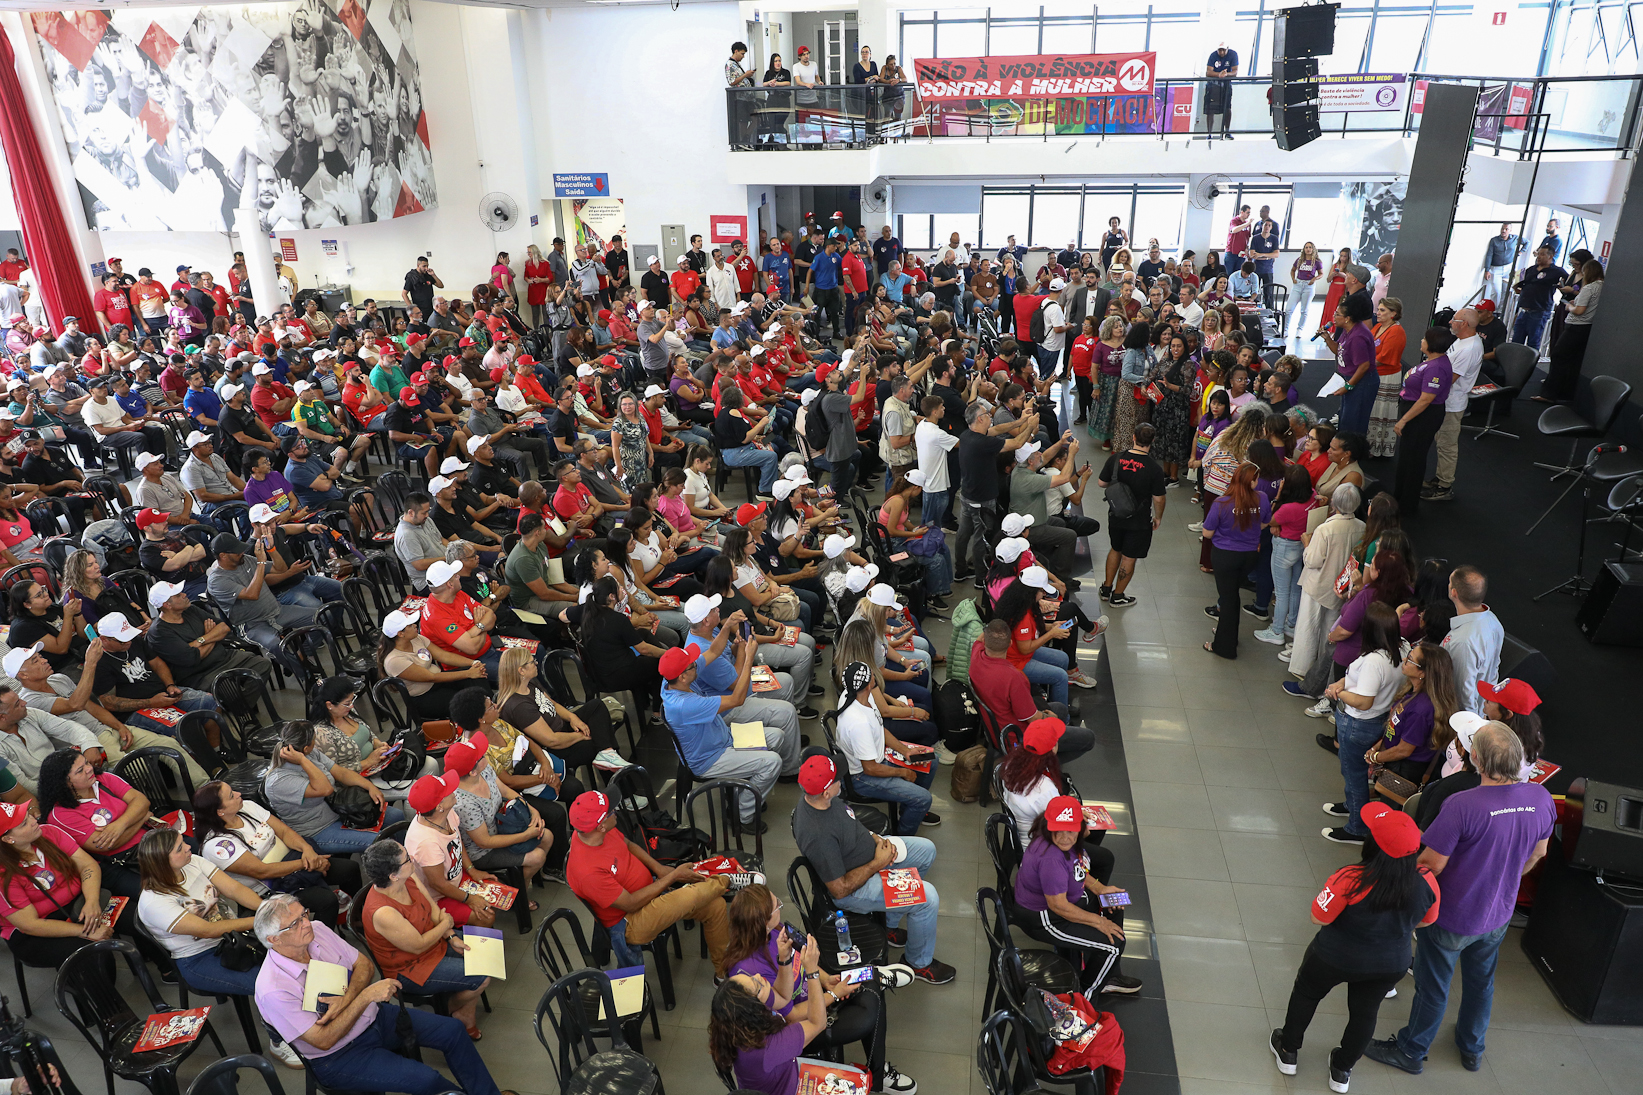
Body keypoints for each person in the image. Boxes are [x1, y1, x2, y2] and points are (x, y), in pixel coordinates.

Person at [1366, 723, 1553, 1076]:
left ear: (1476, 758)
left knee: (1433, 987)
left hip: (1451, 916)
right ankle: (1472, 1047)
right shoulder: (1541, 799)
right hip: (1498, 914)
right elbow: (1538, 853)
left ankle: (1411, 1050)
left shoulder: (1462, 805)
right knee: (1482, 983)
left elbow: (1430, 864)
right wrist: (1506, 879)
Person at [252, 894, 515, 1095]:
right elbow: (323, 1041)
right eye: (295, 923)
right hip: (340, 1056)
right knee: (428, 1080)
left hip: (373, 1017)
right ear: (274, 940)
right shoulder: (273, 988)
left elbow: (364, 965)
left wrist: (348, 1000)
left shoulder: (318, 930)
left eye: (304, 914)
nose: (306, 923)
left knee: (453, 1031)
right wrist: (364, 997)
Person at [1272, 803, 1441, 1094]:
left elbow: (1319, 916)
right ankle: (1342, 1069)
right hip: (1390, 963)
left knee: (1307, 993)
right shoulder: (1427, 881)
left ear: (1372, 844)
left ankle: (1288, 1050)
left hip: (1333, 956)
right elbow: (1427, 921)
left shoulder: (1351, 877)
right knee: (1365, 1013)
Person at [721, 883, 913, 1095]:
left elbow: (790, 980)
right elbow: (796, 1016)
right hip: (801, 1024)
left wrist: (826, 979)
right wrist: (832, 994)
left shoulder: (773, 935)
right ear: (762, 922)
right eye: (777, 907)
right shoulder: (751, 973)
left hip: (812, 1002)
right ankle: (877, 1073)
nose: (781, 908)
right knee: (867, 1012)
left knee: (870, 992)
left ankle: (878, 1072)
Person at [135, 828, 303, 1064]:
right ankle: (278, 1042)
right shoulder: (154, 902)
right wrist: (263, 921)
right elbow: (207, 930)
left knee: (293, 952)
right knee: (268, 984)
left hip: (232, 937)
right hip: (199, 958)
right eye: (180, 848)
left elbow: (234, 889)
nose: (189, 848)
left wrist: (266, 910)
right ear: (162, 861)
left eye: (183, 843)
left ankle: (305, 1012)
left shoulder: (192, 862)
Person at [792, 754, 953, 984]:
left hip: (871, 856)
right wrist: (878, 862)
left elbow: (850, 822)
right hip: (856, 888)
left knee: (926, 850)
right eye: (837, 778)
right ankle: (918, 964)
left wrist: (876, 839)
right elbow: (840, 889)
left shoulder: (822, 797)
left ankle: (889, 925)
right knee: (928, 898)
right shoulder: (818, 835)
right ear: (826, 792)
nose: (842, 779)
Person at [566, 789, 748, 973]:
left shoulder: (596, 832)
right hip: (630, 921)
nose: (616, 811)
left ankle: (723, 973)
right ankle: (726, 880)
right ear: (601, 827)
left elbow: (628, 844)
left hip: (651, 889)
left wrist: (659, 869)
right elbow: (630, 903)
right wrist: (672, 877)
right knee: (688, 896)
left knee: (716, 905)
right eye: (611, 811)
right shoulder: (587, 872)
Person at [358, 841, 491, 1039]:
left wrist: (451, 936)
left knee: (486, 953)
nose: (412, 858)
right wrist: (446, 925)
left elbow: (432, 909)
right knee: (483, 976)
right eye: (407, 858)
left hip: (434, 939)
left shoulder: (407, 876)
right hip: (411, 967)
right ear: (393, 875)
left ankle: (462, 1009)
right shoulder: (383, 912)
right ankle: (450, 1009)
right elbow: (418, 946)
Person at [1014, 795, 1140, 997]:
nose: (1065, 837)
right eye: (1059, 830)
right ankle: (1084, 997)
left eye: (1071, 830)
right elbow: (1058, 906)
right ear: (1049, 827)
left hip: (1064, 902)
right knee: (1113, 946)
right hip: (1045, 919)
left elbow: (1076, 869)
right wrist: (1098, 922)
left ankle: (1107, 974)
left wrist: (1100, 889)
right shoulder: (1051, 859)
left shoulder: (1064, 843)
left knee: (1112, 909)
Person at [193, 779, 360, 928]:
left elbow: (285, 832)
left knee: (350, 869)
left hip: (295, 862)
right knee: (326, 900)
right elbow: (262, 871)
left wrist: (308, 851)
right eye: (231, 796)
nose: (238, 794)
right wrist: (307, 863)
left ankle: (355, 918)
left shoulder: (247, 807)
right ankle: (320, 944)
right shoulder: (218, 845)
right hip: (273, 888)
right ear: (220, 811)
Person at [1320, 602, 1406, 844]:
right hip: (1377, 719)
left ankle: (1356, 828)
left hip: (1357, 723)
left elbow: (1364, 701)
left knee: (1354, 774)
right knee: (1354, 770)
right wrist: (1343, 683)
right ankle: (1352, 805)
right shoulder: (1401, 647)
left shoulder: (1373, 662)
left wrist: (1338, 693)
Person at [444, 715, 554, 898]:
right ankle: (519, 895)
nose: (485, 753)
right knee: (537, 856)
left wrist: (530, 808)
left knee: (547, 836)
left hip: (501, 825)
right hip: (483, 852)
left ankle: (524, 879)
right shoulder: (464, 803)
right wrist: (526, 835)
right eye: (480, 756)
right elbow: (484, 842)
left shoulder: (484, 769)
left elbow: (505, 790)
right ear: (472, 771)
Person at [264, 721, 403, 856]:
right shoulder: (278, 781)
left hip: (339, 810)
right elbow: (326, 789)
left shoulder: (311, 753)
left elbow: (340, 772)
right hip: (318, 830)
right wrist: (303, 761)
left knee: (397, 817)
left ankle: (409, 860)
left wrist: (370, 787)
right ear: (305, 748)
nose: (315, 743)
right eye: (314, 740)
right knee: (383, 843)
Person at [1204, 463, 1272, 659]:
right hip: (1249, 555)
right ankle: (1228, 632)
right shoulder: (1262, 498)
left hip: (1225, 556)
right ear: (1251, 482)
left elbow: (1207, 532)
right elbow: (1265, 522)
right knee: (1232, 595)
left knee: (1228, 598)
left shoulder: (1222, 502)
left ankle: (1224, 646)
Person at [1098, 422, 1167, 607]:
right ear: (1152, 441)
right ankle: (1118, 596)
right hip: (1139, 520)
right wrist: (1158, 517)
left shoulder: (1116, 458)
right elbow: (1158, 498)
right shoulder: (1154, 468)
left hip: (1116, 514)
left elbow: (1101, 483)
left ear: (1134, 437)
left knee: (1115, 548)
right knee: (1129, 557)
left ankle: (1106, 588)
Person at [1392, 327, 1454, 514]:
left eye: (1425, 339)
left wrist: (1403, 420)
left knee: (1414, 459)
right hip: (1415, 413)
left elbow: (1426, 399)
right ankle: (1399, 497)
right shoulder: (1431, 361)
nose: (1421, 340)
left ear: (1433, 343)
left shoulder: (1437, 368)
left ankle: (1407, 505)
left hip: (1423, 417)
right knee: (1407, 457)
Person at [1441, 565, 1503, 716]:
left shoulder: (1463, 642)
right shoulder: (1493, 621)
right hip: (1481, 707)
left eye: (1450, 582)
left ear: (1454, 592)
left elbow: (1463, 691)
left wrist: (1468, 723)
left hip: (1460, 716)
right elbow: (1495, 668)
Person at [1538, 258, 1603, 402]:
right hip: (1587, 328)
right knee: (1574, 361)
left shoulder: (1589, 288)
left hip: (1575, 326)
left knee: (1558, 356)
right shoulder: (1602, 287)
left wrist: (1570, 307)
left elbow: (1579, 311)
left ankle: (1549, 393)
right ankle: (1567, 393)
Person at [1204, 43, 1239, 138]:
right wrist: (1219, 74)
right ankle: (1209, 133)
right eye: (1220, 50)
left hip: (1226, 85)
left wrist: (1226, 74)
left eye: (1223, 50)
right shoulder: (1213, 55)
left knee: (1227, 107)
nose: (1222, 52)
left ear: (1227, 49)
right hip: (1213, 85)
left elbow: (1235, 71)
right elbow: (1208, 72)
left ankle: (1227, 131)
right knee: (1210, 109)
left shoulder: (1233, 54)